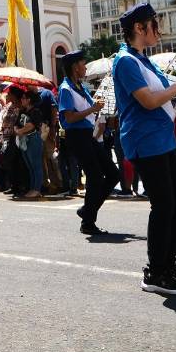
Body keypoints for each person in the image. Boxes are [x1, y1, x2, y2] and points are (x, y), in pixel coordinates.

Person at [111, 2, 176, 295]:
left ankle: (168, 264)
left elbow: (164, 100)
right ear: (139, 28)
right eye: (154, 24)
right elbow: (149, 101)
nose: (159, 31)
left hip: (161, 139)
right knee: (164, 205)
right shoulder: (125, 61)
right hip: (144, 140)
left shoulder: (143, 60)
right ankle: (155, 271)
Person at [58, 49, 119, 234]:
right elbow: (68, 118)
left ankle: (87, 211)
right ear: (75, 67)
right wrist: (91, 109)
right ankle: (88, 221)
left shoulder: (81, 87)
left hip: (88, 135)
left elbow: (90, 110)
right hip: (77, 137)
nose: (85, 67)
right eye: (83, 64)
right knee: (94, 176)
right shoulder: (66, 89)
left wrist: (99, 107)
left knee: (112, 174)